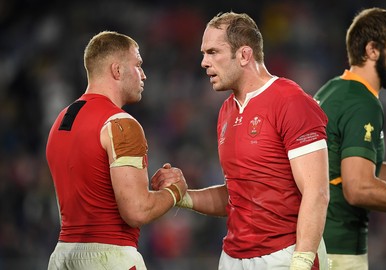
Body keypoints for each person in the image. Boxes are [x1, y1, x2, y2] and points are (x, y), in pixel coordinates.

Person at [152, 11, 330, 270]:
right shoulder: (226, 111)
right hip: (233, 258)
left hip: (284, 255)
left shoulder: (291, 101)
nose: (203, 62)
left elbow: (317, 192)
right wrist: (182, 196)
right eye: (203, 53)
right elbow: (237, 196)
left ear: (245, 55)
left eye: (213, 52)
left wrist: (302, 262)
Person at [46, 31, 187, 270]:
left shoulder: (60, 121)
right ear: (117, 70)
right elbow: (137, 211)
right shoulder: (121, 124)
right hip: (110, 256)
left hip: (62, 256)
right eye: (138, 65)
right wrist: (176, 191)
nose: (144, 74)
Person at [313, 7, 386, 270]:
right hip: (339, 251)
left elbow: (351, 163)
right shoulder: (362, 103)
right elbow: (358, 186)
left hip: (317, 244)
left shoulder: (334, 88)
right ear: (373, 50)